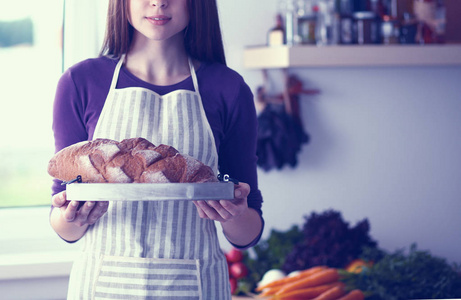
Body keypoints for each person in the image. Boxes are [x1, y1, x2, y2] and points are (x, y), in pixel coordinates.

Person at [49, 0, 264, 299]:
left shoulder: (228, 88)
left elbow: (249, 231)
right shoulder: (81, 83)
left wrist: (233, 215)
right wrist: (74, 218)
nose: (159, 2)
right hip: (103, 286)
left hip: (195, 286)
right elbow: (62, 223)